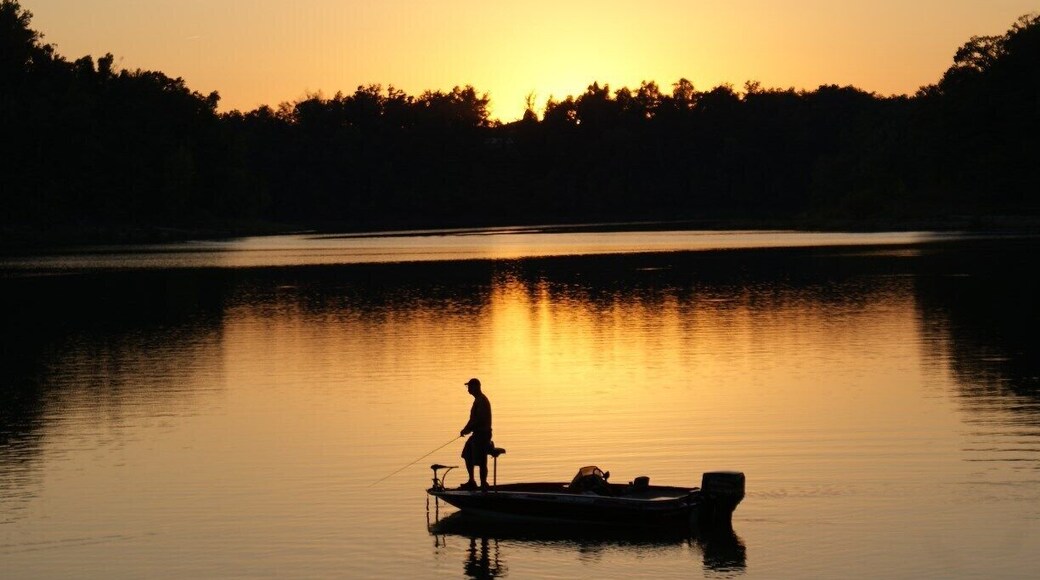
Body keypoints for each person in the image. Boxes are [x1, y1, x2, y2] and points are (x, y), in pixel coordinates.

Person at [459, 377, 492, 491]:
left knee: (481, 460)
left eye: (469, 386)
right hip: (477, 434)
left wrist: (468, 429)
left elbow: (479, 420)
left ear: (476, 387)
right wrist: (466, 429)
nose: (468, 389)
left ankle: (483, 484)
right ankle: (471, 481)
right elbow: (472, 419)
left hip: (482, 435)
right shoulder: (477, 400)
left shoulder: (482, 400)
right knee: (467, 454)